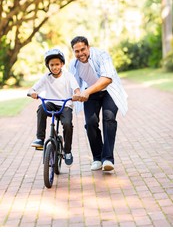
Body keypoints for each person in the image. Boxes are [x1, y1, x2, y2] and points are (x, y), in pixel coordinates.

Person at [69, 36, 128, 171]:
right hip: (90, 93)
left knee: (109, 118)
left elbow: (107, 79)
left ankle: (107, 159)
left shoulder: (102, 55)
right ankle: (97, 157)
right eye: (76, 51)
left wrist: (87, 92)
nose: (80, 54)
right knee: (90, 124)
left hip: (109, 91)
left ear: (88, 47)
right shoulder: (74, 64)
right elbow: (73, 84)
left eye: (83, 49)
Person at [28, 48, 80, 167]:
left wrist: (77, 94)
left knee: (67, 124)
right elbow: (33, 88)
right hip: (51, 103)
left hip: (65, 104)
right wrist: (32, 92)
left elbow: (76, 89)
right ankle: (40, 139)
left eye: (57, 64)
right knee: (41, 108)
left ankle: (67, 151)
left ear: (62, 64)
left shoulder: (68, 76)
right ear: (48, 66)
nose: (55, 67)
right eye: (52, 65)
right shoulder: (46, 77)